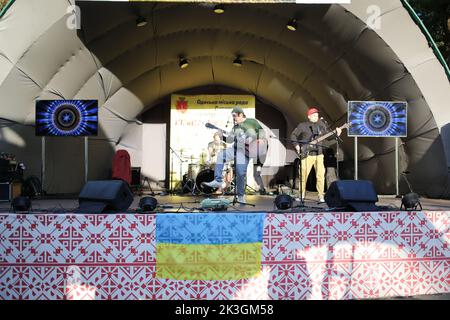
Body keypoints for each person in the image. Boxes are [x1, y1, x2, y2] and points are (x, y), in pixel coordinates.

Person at [203, 106, 268, 203]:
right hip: (235, 148)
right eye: (232, 116)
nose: (234, 119)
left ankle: (241, 196)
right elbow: (230, 140)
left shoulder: (252, 122)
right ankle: (218, 180)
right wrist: (222, 137)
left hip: (246, 151)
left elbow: (262, 133)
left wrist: (253, 140)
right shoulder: (235, 127)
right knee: (221, 155)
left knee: (240, 173)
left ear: (241, 114)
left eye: (235, 116)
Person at [290, 107, 341, 203]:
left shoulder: (321, 126)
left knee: (320, 176)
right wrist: (297, 146)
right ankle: (301, 195)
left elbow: (328, 138)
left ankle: (321, 196)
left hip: (319, 154)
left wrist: (337, 133)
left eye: (317, 115)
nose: (316, 116)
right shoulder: (303, 125)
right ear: (309, 116)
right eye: (313, 115)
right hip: (306, 154)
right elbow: (293, 135)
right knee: (303, 176)